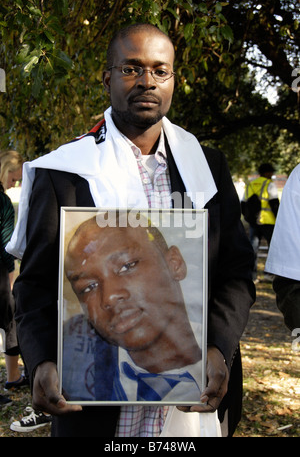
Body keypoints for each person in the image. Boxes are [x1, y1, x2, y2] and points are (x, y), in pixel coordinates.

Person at [7, 23, 255, 437]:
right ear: (107, 78)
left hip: (193, 400)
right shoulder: (64, 172)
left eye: (161, 70)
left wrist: (217, 348)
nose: (147, 81)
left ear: (174, 78)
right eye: (131, 69)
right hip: (97, 414)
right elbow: (32, 285)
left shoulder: (207, 168)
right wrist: (43, 361)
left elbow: (236, 273)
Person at [63, 214, 202, 402]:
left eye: (127, 266)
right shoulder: (77, 380)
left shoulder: (218, 352)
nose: (109, 297)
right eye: (88, 287)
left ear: (174, 264)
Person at [0, 150, 26, 408]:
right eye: (14, 178)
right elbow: (5, 245)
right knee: (10, 323)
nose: (14, 184)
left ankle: (13, 376)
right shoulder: (3, 203)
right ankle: (13, 376)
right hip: (0, 270)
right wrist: (11, 279)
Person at [265, 164, 300, 331]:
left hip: (258, 220)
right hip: (269, 221)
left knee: (255, 244)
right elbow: (289, 282)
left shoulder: (255, 183)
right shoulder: (270, 185)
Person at [242, 163, 279, 281]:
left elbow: (243, 203)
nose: (272, 174)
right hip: (268, 221)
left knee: (253, 248)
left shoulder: (251, 184)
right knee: (272, 249)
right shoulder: (269, 184)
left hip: (254, 222)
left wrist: (249, 218)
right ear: (266, 173)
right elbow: (275, 205)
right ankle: (269, 274)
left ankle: (252, 276)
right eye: (271, 172)